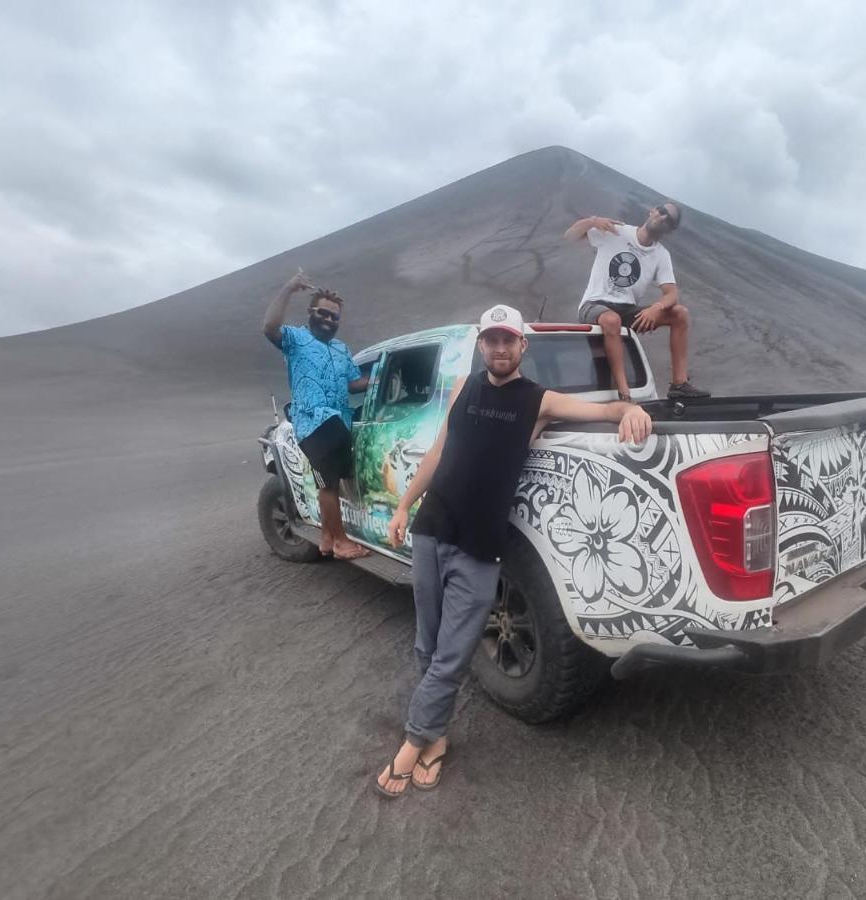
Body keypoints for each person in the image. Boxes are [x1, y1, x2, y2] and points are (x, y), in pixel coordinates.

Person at [373, 303, 654, 798]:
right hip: (431, 529)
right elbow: (439, 454)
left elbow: (603, 410)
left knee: (453, 653)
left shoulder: (537, 400)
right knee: (427, 643)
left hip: (480, 547)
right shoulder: (463, 388)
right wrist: (402, 508)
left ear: (523, 346)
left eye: (509, 340)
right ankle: (436, 738)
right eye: (492, 340)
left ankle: (412, 742)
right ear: (482, 345)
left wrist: (630, 407)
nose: (500, 348)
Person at [262, 268, 370, 560]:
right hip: (313, 422)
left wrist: (381, 376)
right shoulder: (295, 339)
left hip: (339, 423)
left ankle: (325, 537)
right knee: (329, 483)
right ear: (311, 313)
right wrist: (288, 287)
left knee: (330, 481)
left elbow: (352, 382)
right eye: (323, 313)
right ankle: (341, 542)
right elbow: (269, 327)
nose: (328, 319)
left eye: (334, 316)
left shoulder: (341, 349)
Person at [565, 201, 710, 402]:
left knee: (680, 314)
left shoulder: (661, 255)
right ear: (652, 211)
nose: (663, 217)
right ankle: (624, 394)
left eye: (670, 219)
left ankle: (679, 384)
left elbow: (671, 294)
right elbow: (570, 236)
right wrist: (592, 221)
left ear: (670, 230)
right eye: (662, 211)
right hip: (594, 304)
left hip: (626, 310)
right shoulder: (618, 231)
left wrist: (656, 308)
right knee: (611, 320)